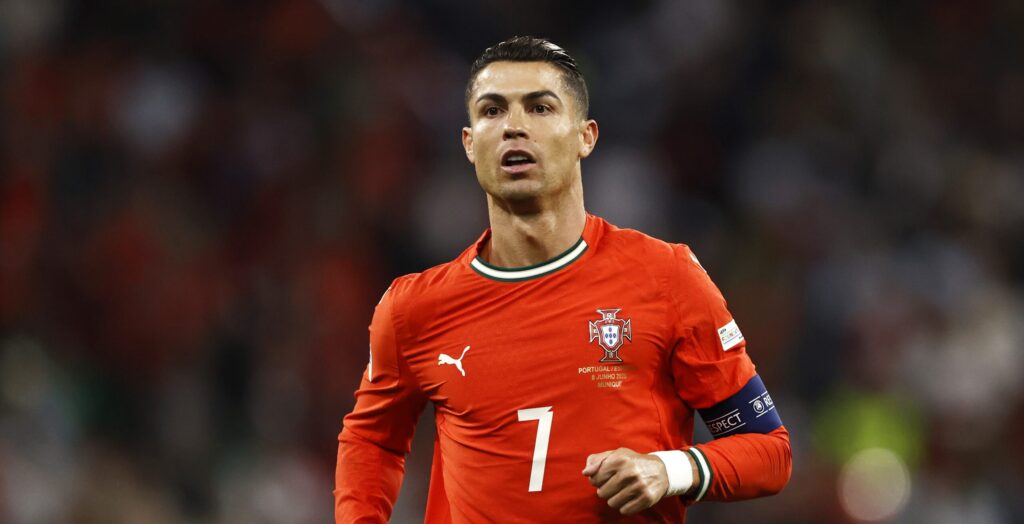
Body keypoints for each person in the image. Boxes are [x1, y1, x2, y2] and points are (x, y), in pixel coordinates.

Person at [334, 36, 792, 523]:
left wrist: (672, 468)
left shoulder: (666, 278)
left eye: (539, 107)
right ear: (469, 144)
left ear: (585, 136)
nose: (513, 127)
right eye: (492, 111)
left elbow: (770, 451)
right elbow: (371, 440)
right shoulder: (413, 309)